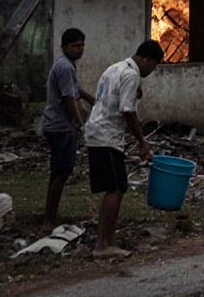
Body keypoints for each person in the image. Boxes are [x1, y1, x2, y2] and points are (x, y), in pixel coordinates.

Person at [84, 39, 163, 258]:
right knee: (116, 188)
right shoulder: (131, 74)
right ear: (146, 60)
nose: (151, 71)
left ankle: (108, 239)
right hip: (106, 136)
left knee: (116, 186)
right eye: (153, 66)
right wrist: (142, 142)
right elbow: (128, 111)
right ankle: (103, 244)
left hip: (97, 132)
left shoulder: (115, 68)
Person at [41, 28, 95, 230]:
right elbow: (69, 98)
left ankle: (50, 217)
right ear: (64, 47)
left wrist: (92, 100)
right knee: (60, 173)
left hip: (57, 125)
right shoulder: (65, 67)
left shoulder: (65, 64)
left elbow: (76, 89)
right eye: (75, 46)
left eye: (82, 46)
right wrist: (81, 124)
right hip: (60, 127)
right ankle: (49, 220)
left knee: (60, 172)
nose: (80, 50)